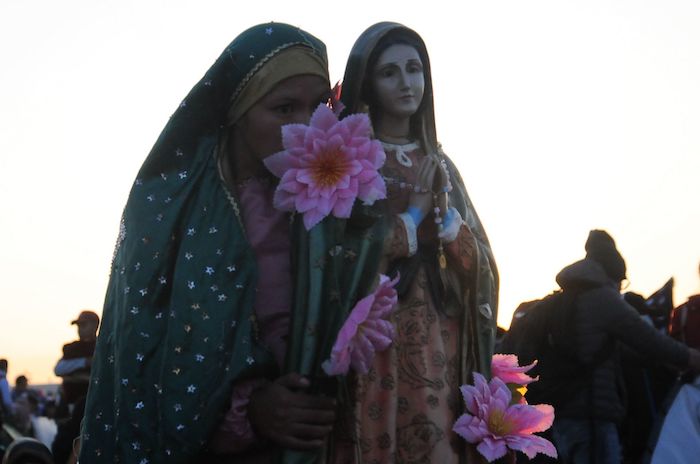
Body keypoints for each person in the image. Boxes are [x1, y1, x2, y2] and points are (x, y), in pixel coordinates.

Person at [79, 23, 338, 463]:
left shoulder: (341, 194)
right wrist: (249, 409)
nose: (304, 128)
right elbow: (147, 349)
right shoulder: (173, 207)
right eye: (283, 108)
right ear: (237, 111)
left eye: (318, 107)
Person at [336, 22, 499, 462]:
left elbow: (482, 264)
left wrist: (453, 233)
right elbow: (339, 252)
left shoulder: (440, 161)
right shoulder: (350, 157)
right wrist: (411, 217)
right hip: (376, 328)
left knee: (435, 435)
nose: (407, 83)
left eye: (414, 69)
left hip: (438, 333)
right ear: (367, 83)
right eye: (390, 73)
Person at [547, 230, 700, 464]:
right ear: (615, 276)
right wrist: (689, 357)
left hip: (558, 418)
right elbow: (648, 340)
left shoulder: (560, 300)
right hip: (592, 418)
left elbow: (619, 350)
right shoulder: (603, 298)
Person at [53, 310, 98, 418]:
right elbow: (59, 369)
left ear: (94, 325)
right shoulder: (72, 348)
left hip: (94, 403)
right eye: (79, 326)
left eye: (83, 325)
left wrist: (75, 376)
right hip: (72, 404)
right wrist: (85, 363)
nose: (79, 329)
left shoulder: (102, 346)